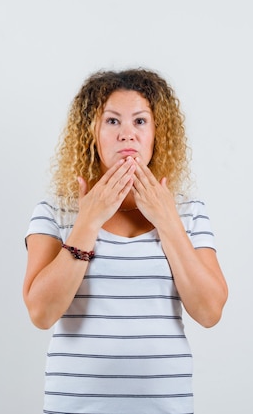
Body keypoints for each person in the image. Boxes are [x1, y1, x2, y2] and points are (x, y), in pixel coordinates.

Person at [23, 68, 228, 414]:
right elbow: (41, 313)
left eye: (140, 121)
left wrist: (167, 221)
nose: (127, 134)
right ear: (92, 133)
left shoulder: (188, 213)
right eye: (113, 121)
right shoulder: (55, 212)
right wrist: (88, 222)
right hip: (73, 406)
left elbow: (209, 311)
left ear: (157, 133)